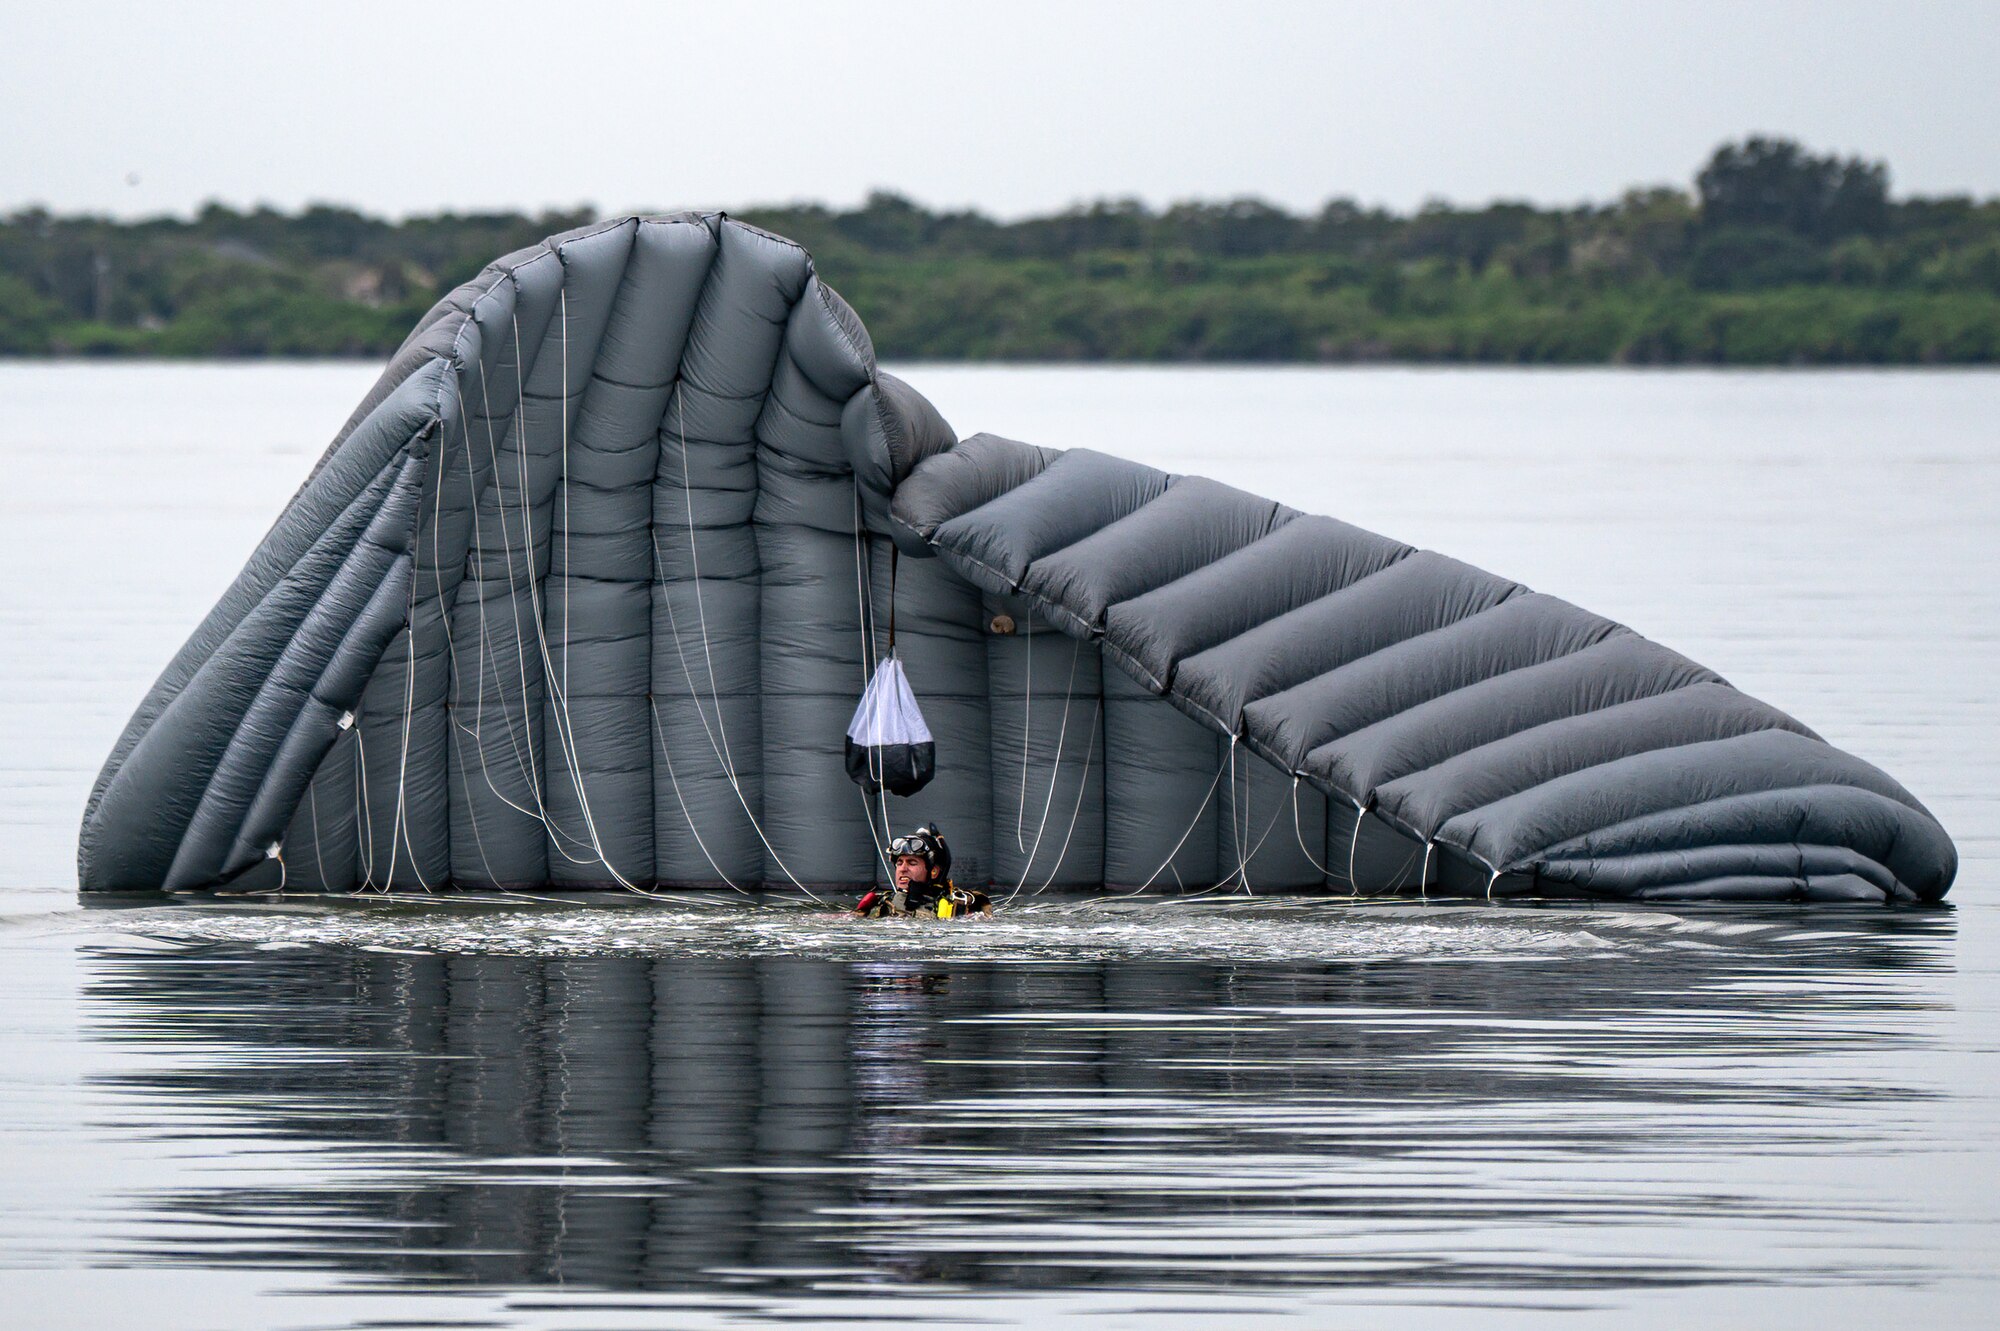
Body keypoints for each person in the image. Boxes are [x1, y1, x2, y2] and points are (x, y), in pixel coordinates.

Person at [855, 823, 992, 919]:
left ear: (934, 872)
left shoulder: (959, 904)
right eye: (899, 862)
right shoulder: (883, 903)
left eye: (912, 863)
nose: (902, 869)